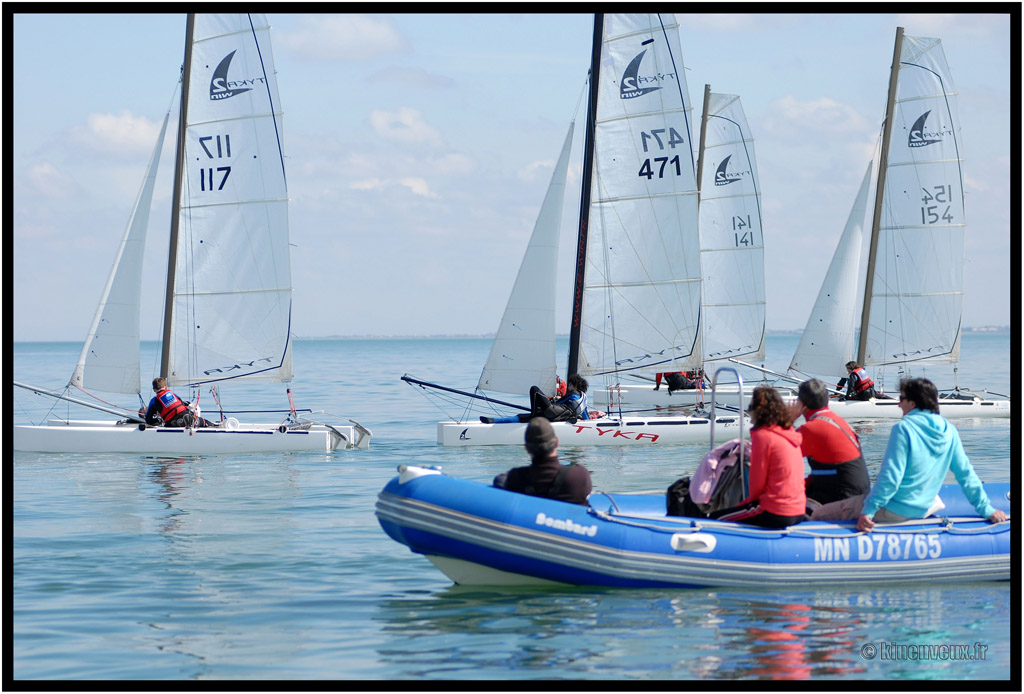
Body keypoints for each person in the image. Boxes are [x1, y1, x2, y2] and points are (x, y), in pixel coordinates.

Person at [811, 378, 1007, 530]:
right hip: (925, 507)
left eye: (902, 399)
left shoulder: (904, 429)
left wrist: (868, 511)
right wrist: (987, 510)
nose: (898, 404)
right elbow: (966, 475)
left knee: (820, 514)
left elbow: (891, 478)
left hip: (895, 509)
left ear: (913, 403)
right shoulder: (949, 429)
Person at [708, 386, 806, 528]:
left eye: (750, 407)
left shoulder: (763, 436)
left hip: (776, 510)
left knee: (714, 518)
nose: (748, 412)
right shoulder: (789, 433)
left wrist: (742, 506)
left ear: (758, 411)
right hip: (798, 509)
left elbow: (756, 485)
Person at [789, 379, 870, 505]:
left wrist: (788, 421)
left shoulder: (811, 428)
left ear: (801, 405)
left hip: (842, 498)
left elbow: (779, 456)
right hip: (859, 494)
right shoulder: (837, 420)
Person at [493, 417, 592, 505]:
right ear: (557, 442)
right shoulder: (579, 475)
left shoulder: (516, 478)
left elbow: (499, 481)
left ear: (527, 448)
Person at [481, 373, 591, 424]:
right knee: (521, 417)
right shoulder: (584, 398)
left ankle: (533, 416)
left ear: (575, 385)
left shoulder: (572, 393)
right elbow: (586, 416)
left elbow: (559, 402)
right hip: (557, 416)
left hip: (554, 412)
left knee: (534, 389)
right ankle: (492, 421)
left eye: (570, 384)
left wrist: (552, 400)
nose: (569, 386)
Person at [142, 377, 213, 428]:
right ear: (165, 387)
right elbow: (181, 403)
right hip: (189, 418)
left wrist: (158, 421)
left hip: (173, 424)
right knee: (204, 422)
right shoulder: (173, 394)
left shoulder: (154, 401)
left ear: (154, 390)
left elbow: (149, 420)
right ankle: (214, 426)